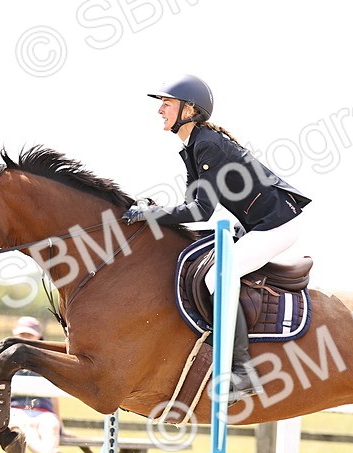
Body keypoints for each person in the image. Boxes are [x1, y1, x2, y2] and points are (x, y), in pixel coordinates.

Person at [122, 74, 311, 402]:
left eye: (167, 103)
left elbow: (200, 211)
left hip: (277, 225)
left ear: (189, 109)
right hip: (259, 224)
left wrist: (150, 215)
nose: (160, 110)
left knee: (216, 277)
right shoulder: (195, 146)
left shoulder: (207, 144)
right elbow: (191, 205)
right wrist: (154, 210)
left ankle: (243, 370)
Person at [8, 316, 64, 453]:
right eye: (22, 334)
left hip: (43, 410)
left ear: (39, 337)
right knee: (27, 428)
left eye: (30, 335)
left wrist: (60, 423)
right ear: (14, 335)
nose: (26, 338)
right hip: (17, 409)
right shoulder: (7, 358)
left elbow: (54, 395)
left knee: (51, 426)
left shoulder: (47, 360)